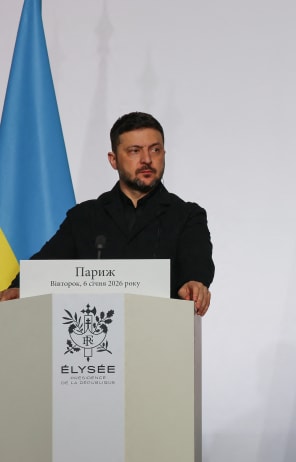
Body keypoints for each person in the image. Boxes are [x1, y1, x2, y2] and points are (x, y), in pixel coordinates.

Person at [0, 112, 214, 315]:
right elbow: (45, 265)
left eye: (155, 150)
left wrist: (195, 283)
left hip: (161, 339)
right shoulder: (84, 216)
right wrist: (20, 288)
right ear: (113, 160)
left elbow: (197, 264)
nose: (147, 159)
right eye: (135, 151)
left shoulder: (188, 216)